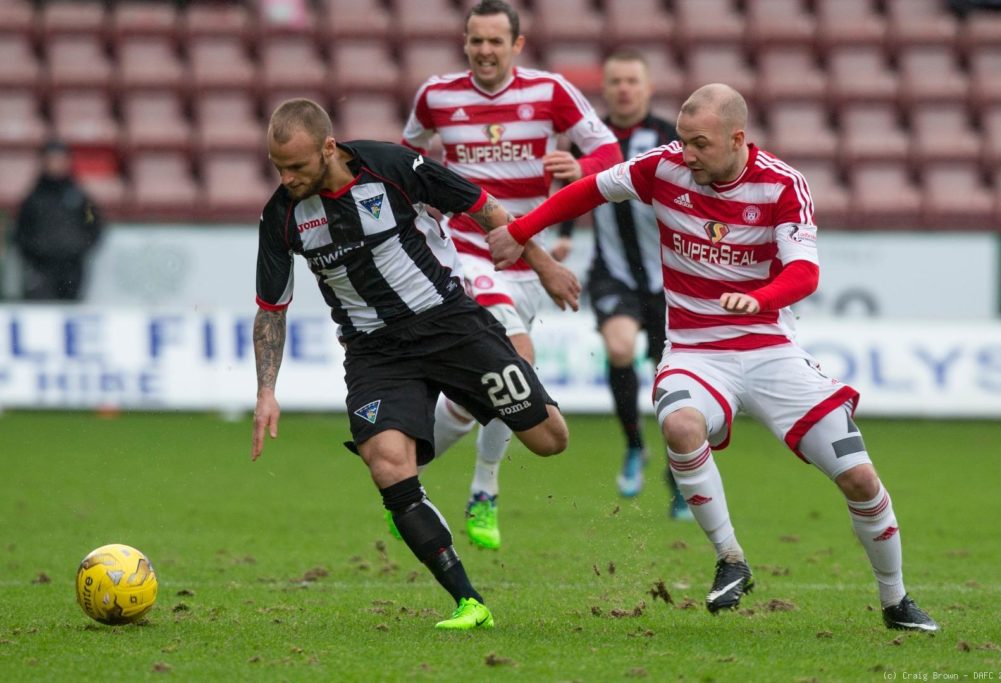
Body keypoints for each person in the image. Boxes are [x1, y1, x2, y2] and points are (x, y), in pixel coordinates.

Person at [485, 84, 939, 632]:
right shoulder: (662, 168)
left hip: (771, 350)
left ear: (737, 138)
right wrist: (520, 229)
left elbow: (805, 272)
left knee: (860, 480)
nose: (687, 154)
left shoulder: (782, 184)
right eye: (682, 141)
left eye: (699, 143)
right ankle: (731, 560)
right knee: (679, 425)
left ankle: (896, 601)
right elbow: (588, 191)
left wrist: (761, 298)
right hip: (697, 351)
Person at [251, 98, 580, 630]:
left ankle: (463, 439)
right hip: (375, 352)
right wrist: (266, 391)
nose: (286, 178)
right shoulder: (281, 217)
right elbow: (271, 311)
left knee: (550, 440)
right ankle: (468, 601)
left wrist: (541, 264)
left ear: (328, 149)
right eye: (278, 168)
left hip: (451, 326)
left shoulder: (393, 166)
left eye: (297, 167)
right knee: (387, 464)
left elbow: (483, 205)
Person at [401, 0, 622, 550]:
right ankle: (484, 492)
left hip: (527, 251)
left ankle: (408, 482)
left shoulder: (551, 92)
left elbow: (609, 152)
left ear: (517, 45)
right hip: (466, 249)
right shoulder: (436, 96)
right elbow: (406, 159)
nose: (484, 51)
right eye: (476, 41)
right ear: (465, 42)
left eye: (496, 41)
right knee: (517, 363)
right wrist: (421, 211)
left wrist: (581, 167)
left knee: (484, 391)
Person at [555, 49, 691, 520]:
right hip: (612, 270)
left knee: (671, 379)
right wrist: (567, 238)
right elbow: (570, 190)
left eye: (633, 80)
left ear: (648, 87)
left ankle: (679, 475)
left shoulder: (671, 138)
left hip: (669, 278)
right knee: (618, 349)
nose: (624, 89)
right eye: (615, 81)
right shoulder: (590, 140)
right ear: (605, 88)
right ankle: (635, 446)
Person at [13, 139, 102, 300]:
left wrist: (80, 248)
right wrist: (35, 253)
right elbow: (21, 231)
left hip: (72, 268)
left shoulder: (80, 197)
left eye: (60, 159)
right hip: (41, 268)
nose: (55, 164)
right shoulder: (33, 199)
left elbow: (93, 222)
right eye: (51, 159)